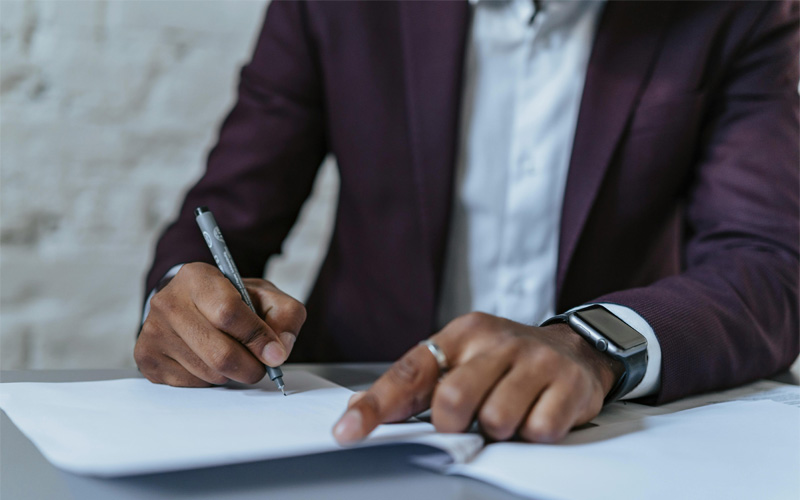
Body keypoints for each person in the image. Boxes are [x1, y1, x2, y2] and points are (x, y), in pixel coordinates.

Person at [135, 0, 799, 445]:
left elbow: (769, 263)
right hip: (353, 426)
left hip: (604, 438)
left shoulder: (740, 10)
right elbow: (226, 213)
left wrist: (594, 346)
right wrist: (186, 299)